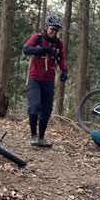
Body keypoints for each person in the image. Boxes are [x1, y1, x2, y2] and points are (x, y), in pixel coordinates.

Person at [22, 15, 68, 148]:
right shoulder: (37, 38)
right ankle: (34, 136)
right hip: (35, 78)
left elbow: (62, 57)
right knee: (34, 105)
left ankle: (41, 137)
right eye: (52, 29)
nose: (54, 32)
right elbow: (26, 49)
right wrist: (41, 50)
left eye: (57, 30)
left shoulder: (58, 43)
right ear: (46, 27)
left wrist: (64, 70)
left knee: (46, 109)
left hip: (49, 79)